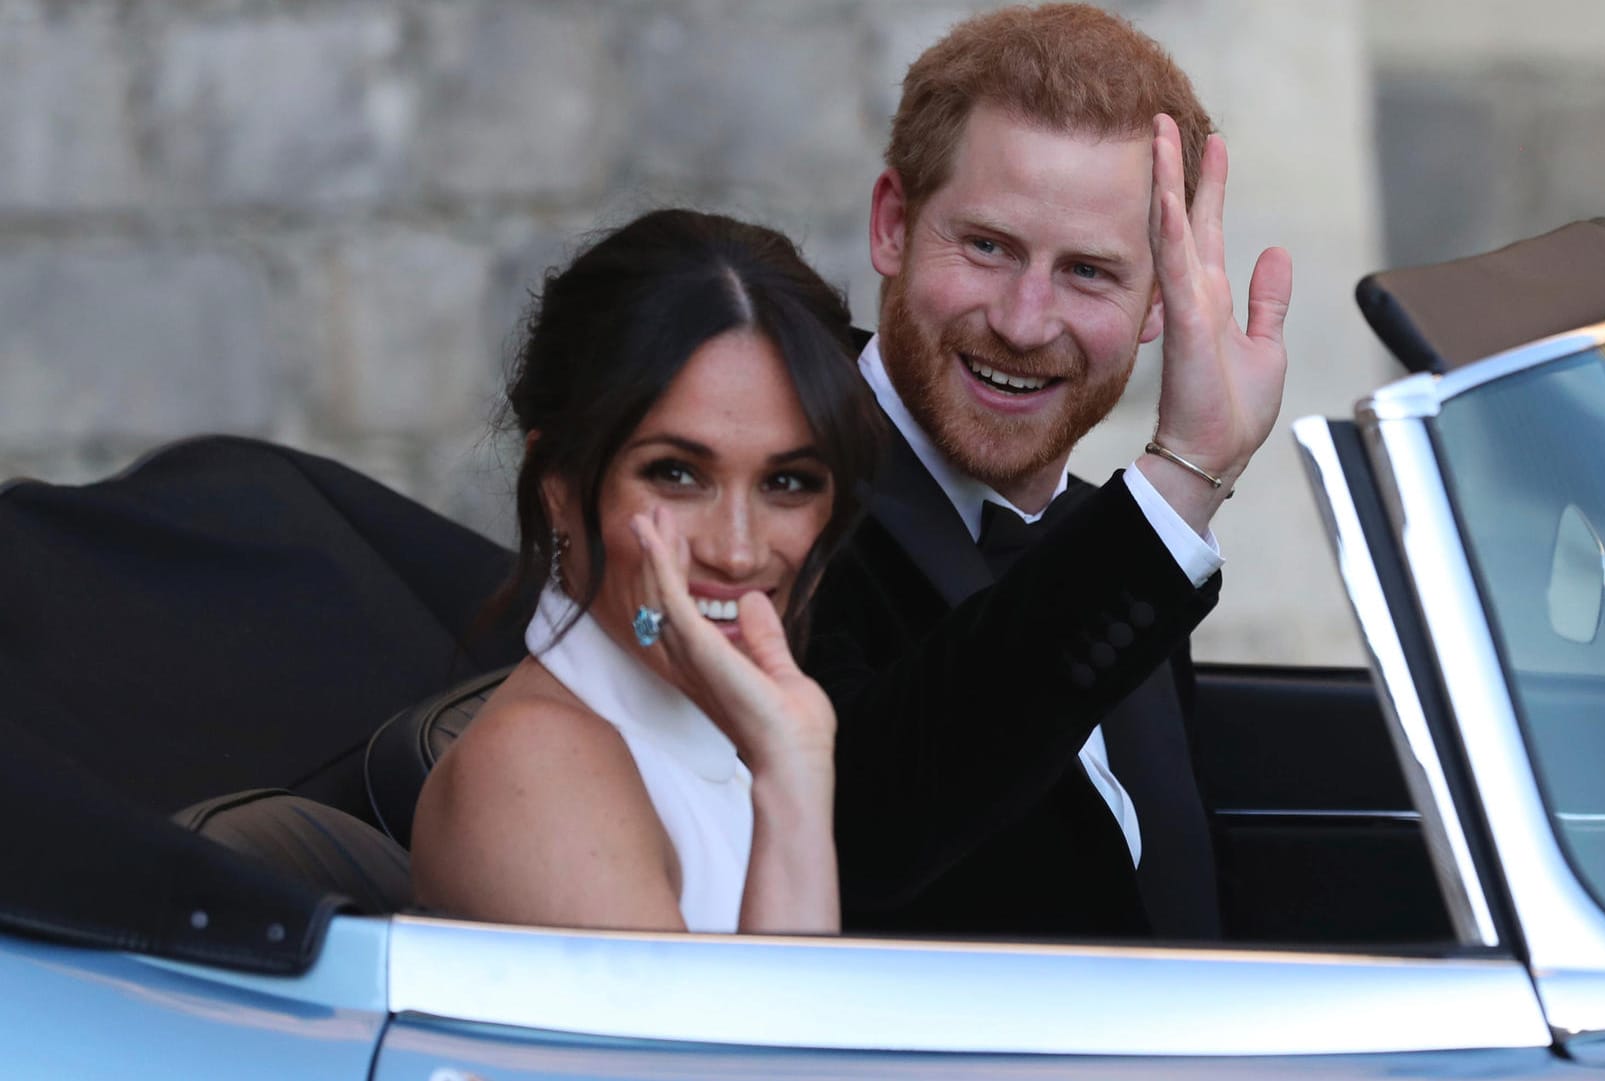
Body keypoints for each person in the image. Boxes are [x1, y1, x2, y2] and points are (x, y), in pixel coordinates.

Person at [805, 4, 1293, 939]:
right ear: (893, 227)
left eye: (1089, 273)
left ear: (1159, 305)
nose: (1026, 322)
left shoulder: (1109, 538)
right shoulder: (780, 494)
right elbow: (861, 833)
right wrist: (1186, 476)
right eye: (987, 247)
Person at [411, 209, 882, 933]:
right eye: (676, 474)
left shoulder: (715, 736)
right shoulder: (536, 766)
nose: (736, 549)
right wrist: (792, 776)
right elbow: (755, 1053)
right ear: (559, 488)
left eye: (787, 483)